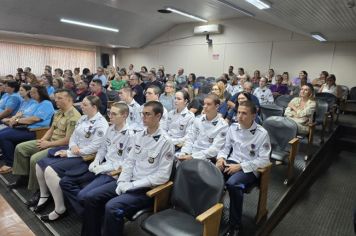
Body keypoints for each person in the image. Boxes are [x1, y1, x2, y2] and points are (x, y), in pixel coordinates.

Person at [80, 101, 174, 236]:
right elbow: (129, 162)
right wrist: (123, 181)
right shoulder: (139, 135)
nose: (143, 117)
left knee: (112, 207)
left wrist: (132, 185)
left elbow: (162, 176)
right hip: (127, 182)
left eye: (148, 114)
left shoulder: (165, 142)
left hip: (146, 189)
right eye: (143, 114)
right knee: (90, 197)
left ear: (158, 116)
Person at [34, 96, 108, 221]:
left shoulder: (101, 123)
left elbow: (95, 147)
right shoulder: (83, 118)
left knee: (50, 170)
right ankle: (44, 195)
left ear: (94, 107)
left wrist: (71, 153)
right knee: (40, 163)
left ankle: (60, 208)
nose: (81, 107)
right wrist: (72, 147)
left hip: (85, 158)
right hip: (73, 151)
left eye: (85, 105)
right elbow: (73, 136)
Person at [8, 89, 81, 207]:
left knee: (35, 159)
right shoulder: (58, 112)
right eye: (56, 97)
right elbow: (51, 129)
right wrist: (44, 140)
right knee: (21, 148)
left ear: (69, 99)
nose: (55, 100)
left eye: (59, 98)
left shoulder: (74, 117)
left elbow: (68, 140)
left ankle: (39, 191)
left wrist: (48, 144)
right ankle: (23, 176)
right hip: (49, 141)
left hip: (61, 146)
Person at [59, 102, 134, 217]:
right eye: (109, 112)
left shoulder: (130, 135)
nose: (110, 116)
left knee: (83, 196)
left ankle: (89, 215)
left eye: (114, 114)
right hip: (102, 166)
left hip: (113, 173)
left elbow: (126, 162)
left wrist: (104, 167)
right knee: (65, 182)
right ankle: (87, 213)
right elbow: (102, 148)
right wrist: (96, 161)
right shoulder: (111, 128)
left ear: (124, 116)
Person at [216, 100, 271, 236]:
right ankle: (211, 214)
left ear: (254, 115)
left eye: (244, 113)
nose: (239, 116)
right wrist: (221, 158)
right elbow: (225, 147)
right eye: (238, 112)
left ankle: (235, 225)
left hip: (250, 168)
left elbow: (264, 160)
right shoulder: (233, 127)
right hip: (231, 162)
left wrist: (240, 166)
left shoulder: (262, 133)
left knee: (233, 184)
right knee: (210, 174)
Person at [0, 85, 54, 173]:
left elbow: (34, 119)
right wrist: (14, 119)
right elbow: (25, 114)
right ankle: (8, 156)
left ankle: (10, 163)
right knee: (2, 133)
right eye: (31, 92)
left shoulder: (46, 103)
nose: (31, 94)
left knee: (3, 136)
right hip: (25, 127)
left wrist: (17, 120)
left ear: (40, 93)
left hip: (35, 131)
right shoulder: (36, 103)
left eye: (33, 92)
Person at [179, 94, 228, 161]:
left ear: (216, 106)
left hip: (206, 158)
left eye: (208, 104)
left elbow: (214, 149)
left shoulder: (223, 125)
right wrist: (184, 153)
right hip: (191, 153)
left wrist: (193, 157)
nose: (205, 106)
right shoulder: (198, 119)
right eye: (204, 104)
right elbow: (190, 139)